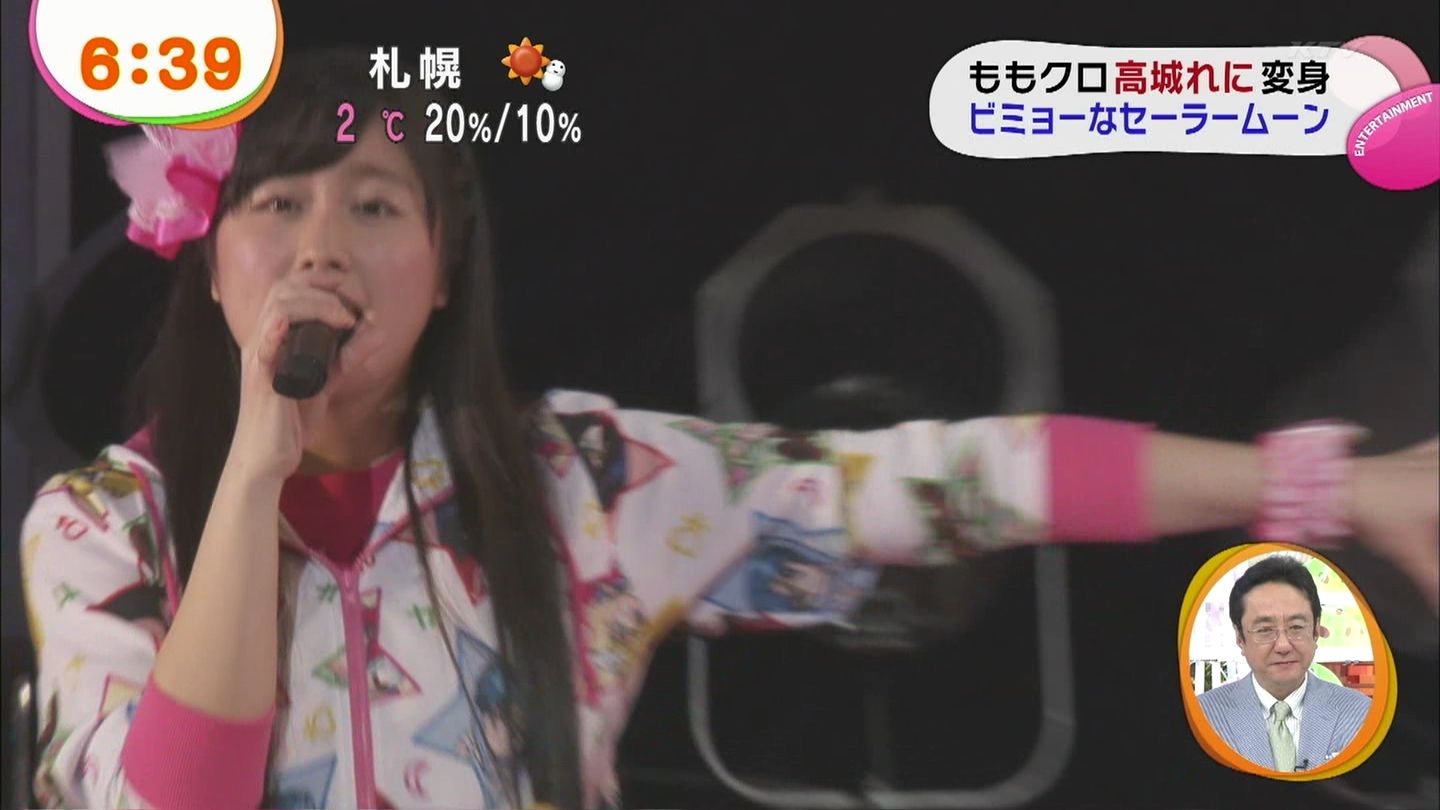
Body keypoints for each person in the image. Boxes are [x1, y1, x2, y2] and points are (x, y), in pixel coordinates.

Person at [17, 47, 1439, 810]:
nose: (326, 243)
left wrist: (1319, 487)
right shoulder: (100, 527)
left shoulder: (577, 484)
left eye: (377, 205)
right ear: (212, 265)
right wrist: (253, 469)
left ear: (442, 275)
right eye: (279, 204)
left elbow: (950, 480)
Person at [1197, 555, 1372, 771]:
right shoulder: (1203, 716)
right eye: (1265, 630)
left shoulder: (1361, 714)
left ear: (1316, 630)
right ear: (1240, 638)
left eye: (1296, 627)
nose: (1283, 645)